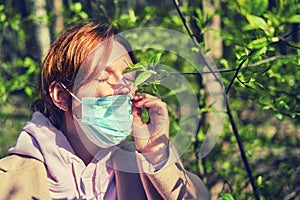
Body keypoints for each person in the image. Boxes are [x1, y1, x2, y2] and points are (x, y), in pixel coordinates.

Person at [0, 18, 210, 199]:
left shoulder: (145, 170)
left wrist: (157, 153)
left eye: (130, 77)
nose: (123, 88)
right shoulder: (7, 181)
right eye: (103, 77)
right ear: (61, 96)